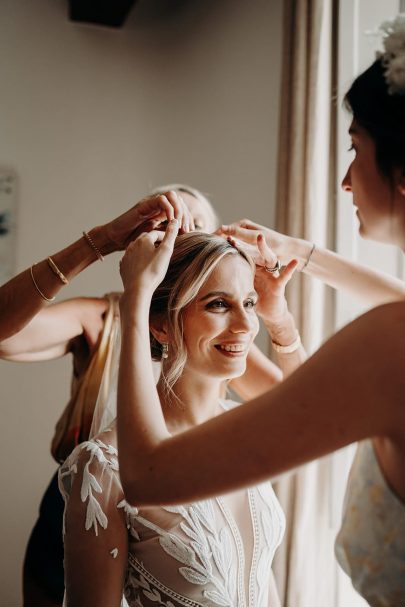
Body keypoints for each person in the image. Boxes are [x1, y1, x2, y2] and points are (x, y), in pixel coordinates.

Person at [114, 15, 405, 607]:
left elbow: (145, 476)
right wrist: (303, 256)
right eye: (221, 304)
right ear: (171, 322)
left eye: (356, 149)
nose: (346, 182)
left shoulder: (388, 341)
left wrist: (135, 299)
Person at [0, 185, 288, 607]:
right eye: (167, 226)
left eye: (194, 228)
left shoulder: (228, 336)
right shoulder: (107, 316)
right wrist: (98, 242)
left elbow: (295, 404)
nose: (180, 238)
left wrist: (277, 315)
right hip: (93, 501)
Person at [58, 230, 308, 607]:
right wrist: (135, 299)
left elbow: (310, 411)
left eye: (250, 302)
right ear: (159, 325)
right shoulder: (104, 468)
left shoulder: (247, 431)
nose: (245, 324)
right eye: (219, 304)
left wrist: (281, 319)